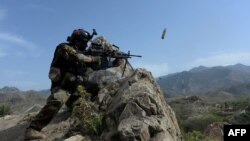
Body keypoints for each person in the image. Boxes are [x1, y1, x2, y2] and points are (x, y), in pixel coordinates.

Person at [24, 29, 100, 140]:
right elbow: (79, 57)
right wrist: (94, 58)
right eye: (84, 42)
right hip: (62, 86)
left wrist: (113, 62)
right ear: (77, 41)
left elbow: (93, 66)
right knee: (57, 101)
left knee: (95, 87)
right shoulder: (63, 47)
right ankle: (33, 129)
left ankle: (73, 103)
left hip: (76, 85)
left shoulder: (81, 52)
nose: (85, 45)